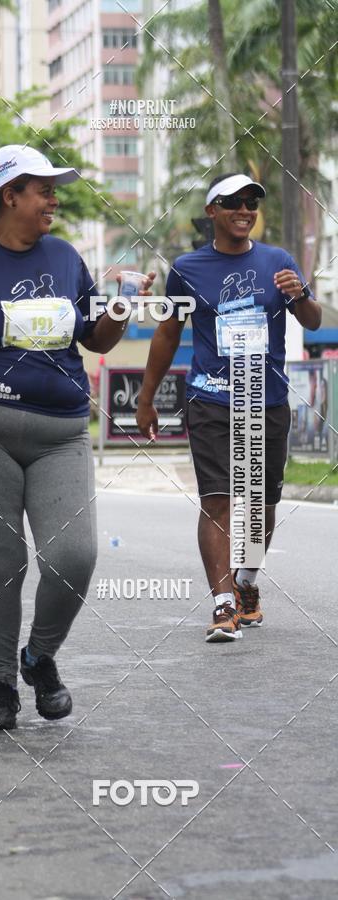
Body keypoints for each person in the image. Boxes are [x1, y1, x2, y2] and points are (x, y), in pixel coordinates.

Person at [0, 144, 154, 729]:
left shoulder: (65, 256)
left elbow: (96, 342)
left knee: (74, 557)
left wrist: (121, 308)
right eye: (42, 188)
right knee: (0, 565)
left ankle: (39, 657)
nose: (54, 198)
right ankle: (0, 683)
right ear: (7, 196)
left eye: (54, 188)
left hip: (62, 433)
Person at [136, 173, 321, 643]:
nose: (245, 210)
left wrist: (297, 293)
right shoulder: (187, 268)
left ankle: (246, 585)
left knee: (262, 504)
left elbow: (314, 321)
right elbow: (167, 334)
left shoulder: (277, 261)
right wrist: (146, 397)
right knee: (217, 501)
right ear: (212, 211)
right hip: (212, 398)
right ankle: (222, 605)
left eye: (251, 203)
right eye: (233, 202)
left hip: (268, 399)